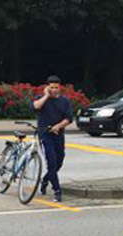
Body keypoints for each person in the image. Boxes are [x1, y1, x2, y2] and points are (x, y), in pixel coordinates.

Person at [32, 75, 74, 203]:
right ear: (47, 87)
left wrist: (58, 126)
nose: (54, 90)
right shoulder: (41, 98)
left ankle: (45, 180)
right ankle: (57, 190)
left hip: (58, 134)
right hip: (45, 134)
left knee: (59, 162)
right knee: (51, 162)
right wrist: (46, 96)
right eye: (51, 88)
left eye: (56, 88)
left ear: (60, 88)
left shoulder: (65, 101)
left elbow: (69, 118)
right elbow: (36, 106)